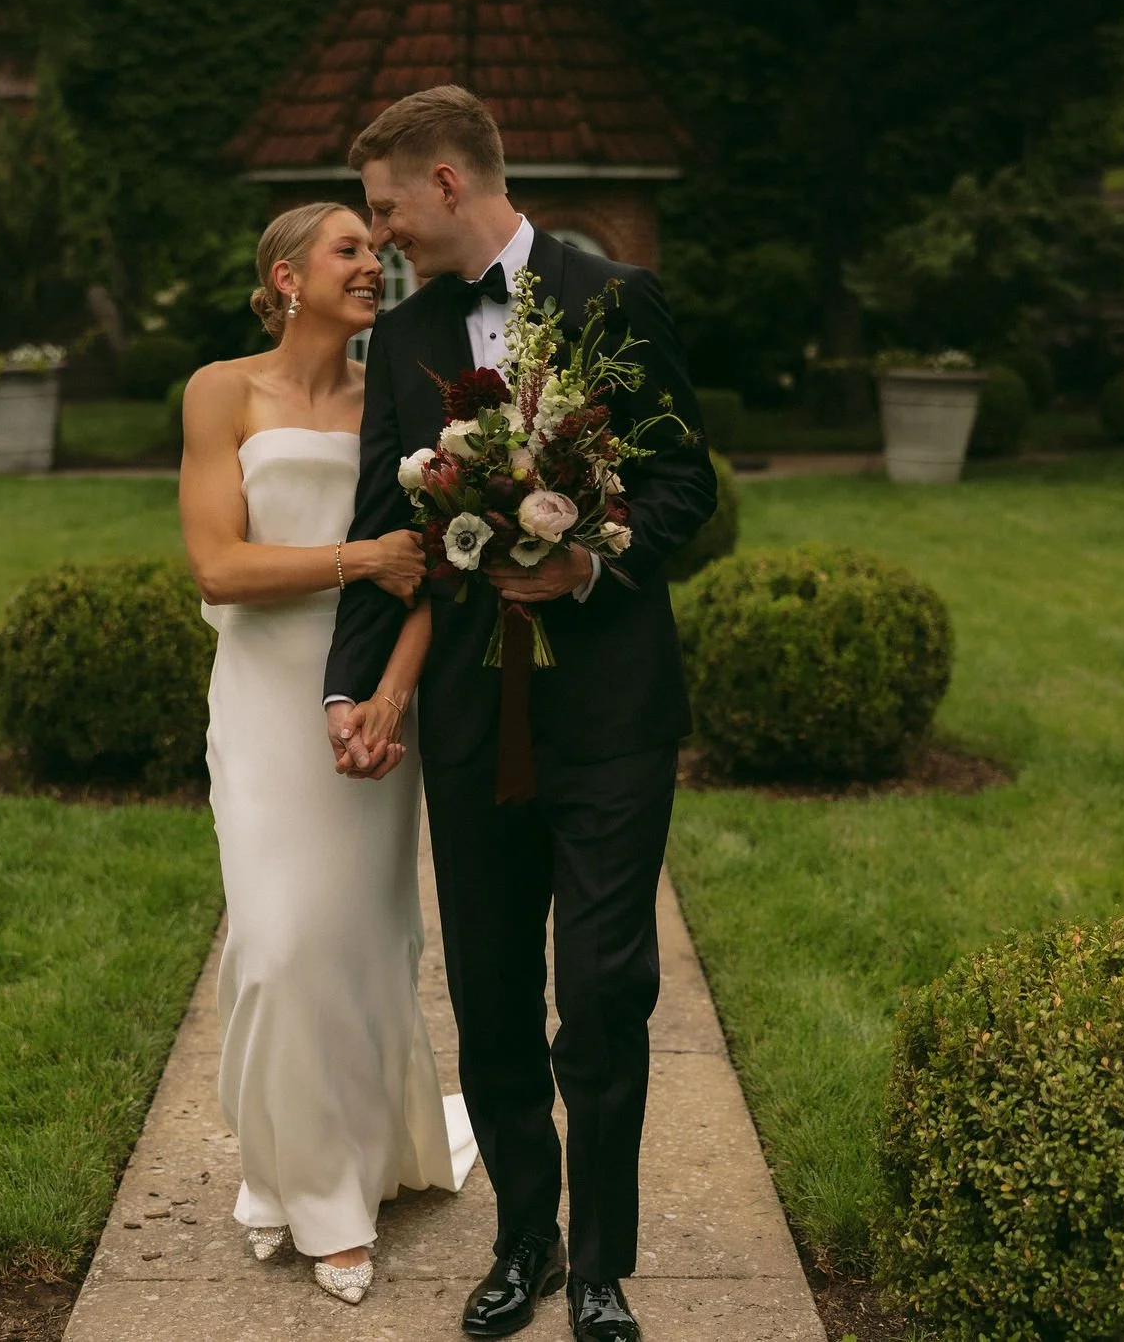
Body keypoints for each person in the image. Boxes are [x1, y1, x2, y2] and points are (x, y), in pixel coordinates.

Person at [323, 86, 717, 1342]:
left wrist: (588, 560)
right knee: (490, 994)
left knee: (601, 991)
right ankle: (523, 1243)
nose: (377, 237)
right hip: (464, 717)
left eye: (385, 210)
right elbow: (379, 532)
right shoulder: (401, 338)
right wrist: (348, 686)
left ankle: (600, 1265)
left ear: (447, 184)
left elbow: (684, 484)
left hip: (608, 711)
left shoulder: (616, 298)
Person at [178, 200, 476, 1307]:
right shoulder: (222, 390)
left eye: (375, 248)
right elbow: (217, 566)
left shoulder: (395, 398)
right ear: (286, 275)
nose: (374, 264)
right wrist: (363, 556)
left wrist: (391, 696)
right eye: (349, 249)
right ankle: (306, 1189)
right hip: (261, 699)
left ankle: (348, 1173)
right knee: (275, 945)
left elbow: (439, 567)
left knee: (361, 945)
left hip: (368, 701)